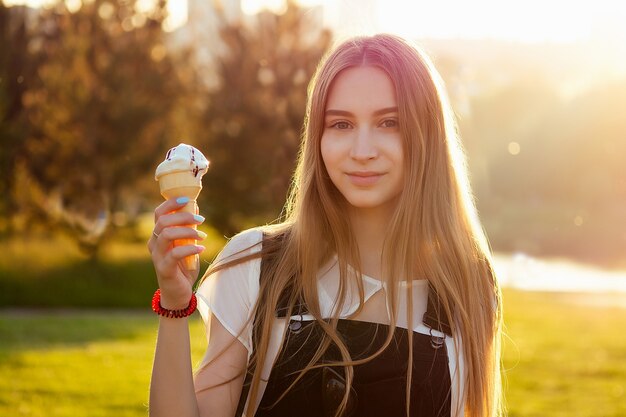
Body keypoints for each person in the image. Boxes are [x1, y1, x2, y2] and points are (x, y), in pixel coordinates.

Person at [147, 33, 504, 417]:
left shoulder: (466, 283)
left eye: (389, 122)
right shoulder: (258, 264)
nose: (362, 151)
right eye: (341, 125)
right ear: (318, 137)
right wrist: (173, 302)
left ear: (427, 136)